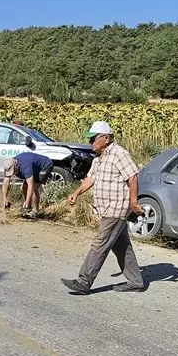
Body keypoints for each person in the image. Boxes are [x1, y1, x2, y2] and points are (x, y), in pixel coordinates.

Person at [61, 121, 146, 294]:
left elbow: (133, 177)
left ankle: (84, 281)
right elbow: (91, 179)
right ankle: (136, 281)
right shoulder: (98, 159)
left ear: (106, 138)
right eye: (90, 139)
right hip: (106, 207)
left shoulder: (120, 154)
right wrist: (76, 193)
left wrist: (134, 202)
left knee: (100, 243)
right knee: (121, 246)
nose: (91, 142)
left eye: (93, 139)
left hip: (117, 206)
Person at [0, 147, 53, 218]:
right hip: (34, 168)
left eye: (13, 171)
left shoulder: (25, 166)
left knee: (34, 188)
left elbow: (31, 186)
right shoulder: (8, 164)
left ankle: (35, 211)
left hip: (45, 165)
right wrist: (4, 198)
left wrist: (27, 201)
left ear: (16, 164)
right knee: (23, 187)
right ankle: (28, 207)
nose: (13, 173)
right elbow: (6, 182)